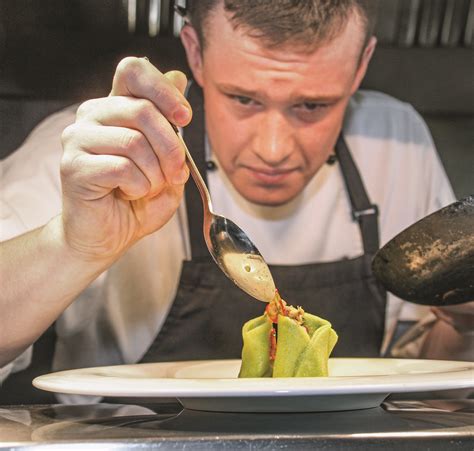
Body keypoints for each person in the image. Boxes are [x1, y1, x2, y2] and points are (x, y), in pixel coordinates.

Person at [0, 0, 471, 404]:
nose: (273, 149)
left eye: (313, 106)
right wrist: (71, 244)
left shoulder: (396, 142)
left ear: (361, 64)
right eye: (243, 98)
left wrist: (464, 322)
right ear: (195, 53)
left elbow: (427, 379)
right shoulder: (102, 153)